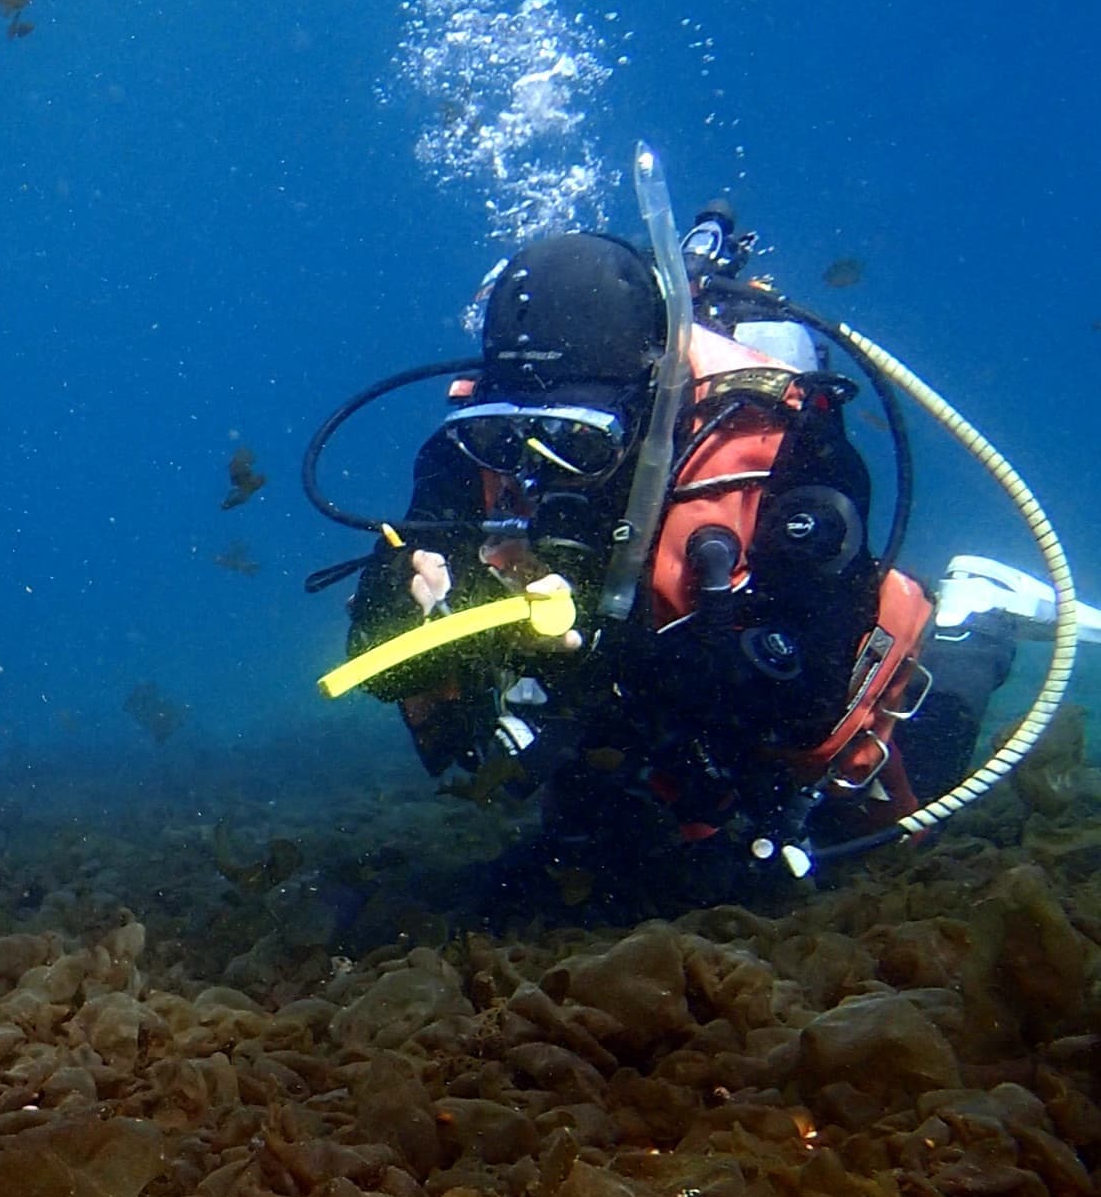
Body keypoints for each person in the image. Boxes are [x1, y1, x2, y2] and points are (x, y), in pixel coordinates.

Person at [334, 221, 1052, 917]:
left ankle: (970, 625)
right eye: (511, 433)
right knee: (593, 869)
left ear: (650, 408)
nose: (541, 471)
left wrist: (593, 657)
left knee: (885, 827)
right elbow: (384, 669)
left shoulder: (777, 444)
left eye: (575, 441)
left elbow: (803, 700)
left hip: (757, 703)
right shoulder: (472, 452)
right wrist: (405, 604)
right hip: (625, 718)